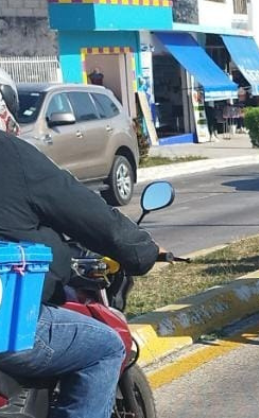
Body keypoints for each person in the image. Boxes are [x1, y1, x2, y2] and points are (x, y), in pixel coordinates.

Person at [0, 72, 163, 418]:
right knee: (104, 347)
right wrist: (141, 251)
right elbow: (89, 214)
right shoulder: (10, 155)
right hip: (9, 325)